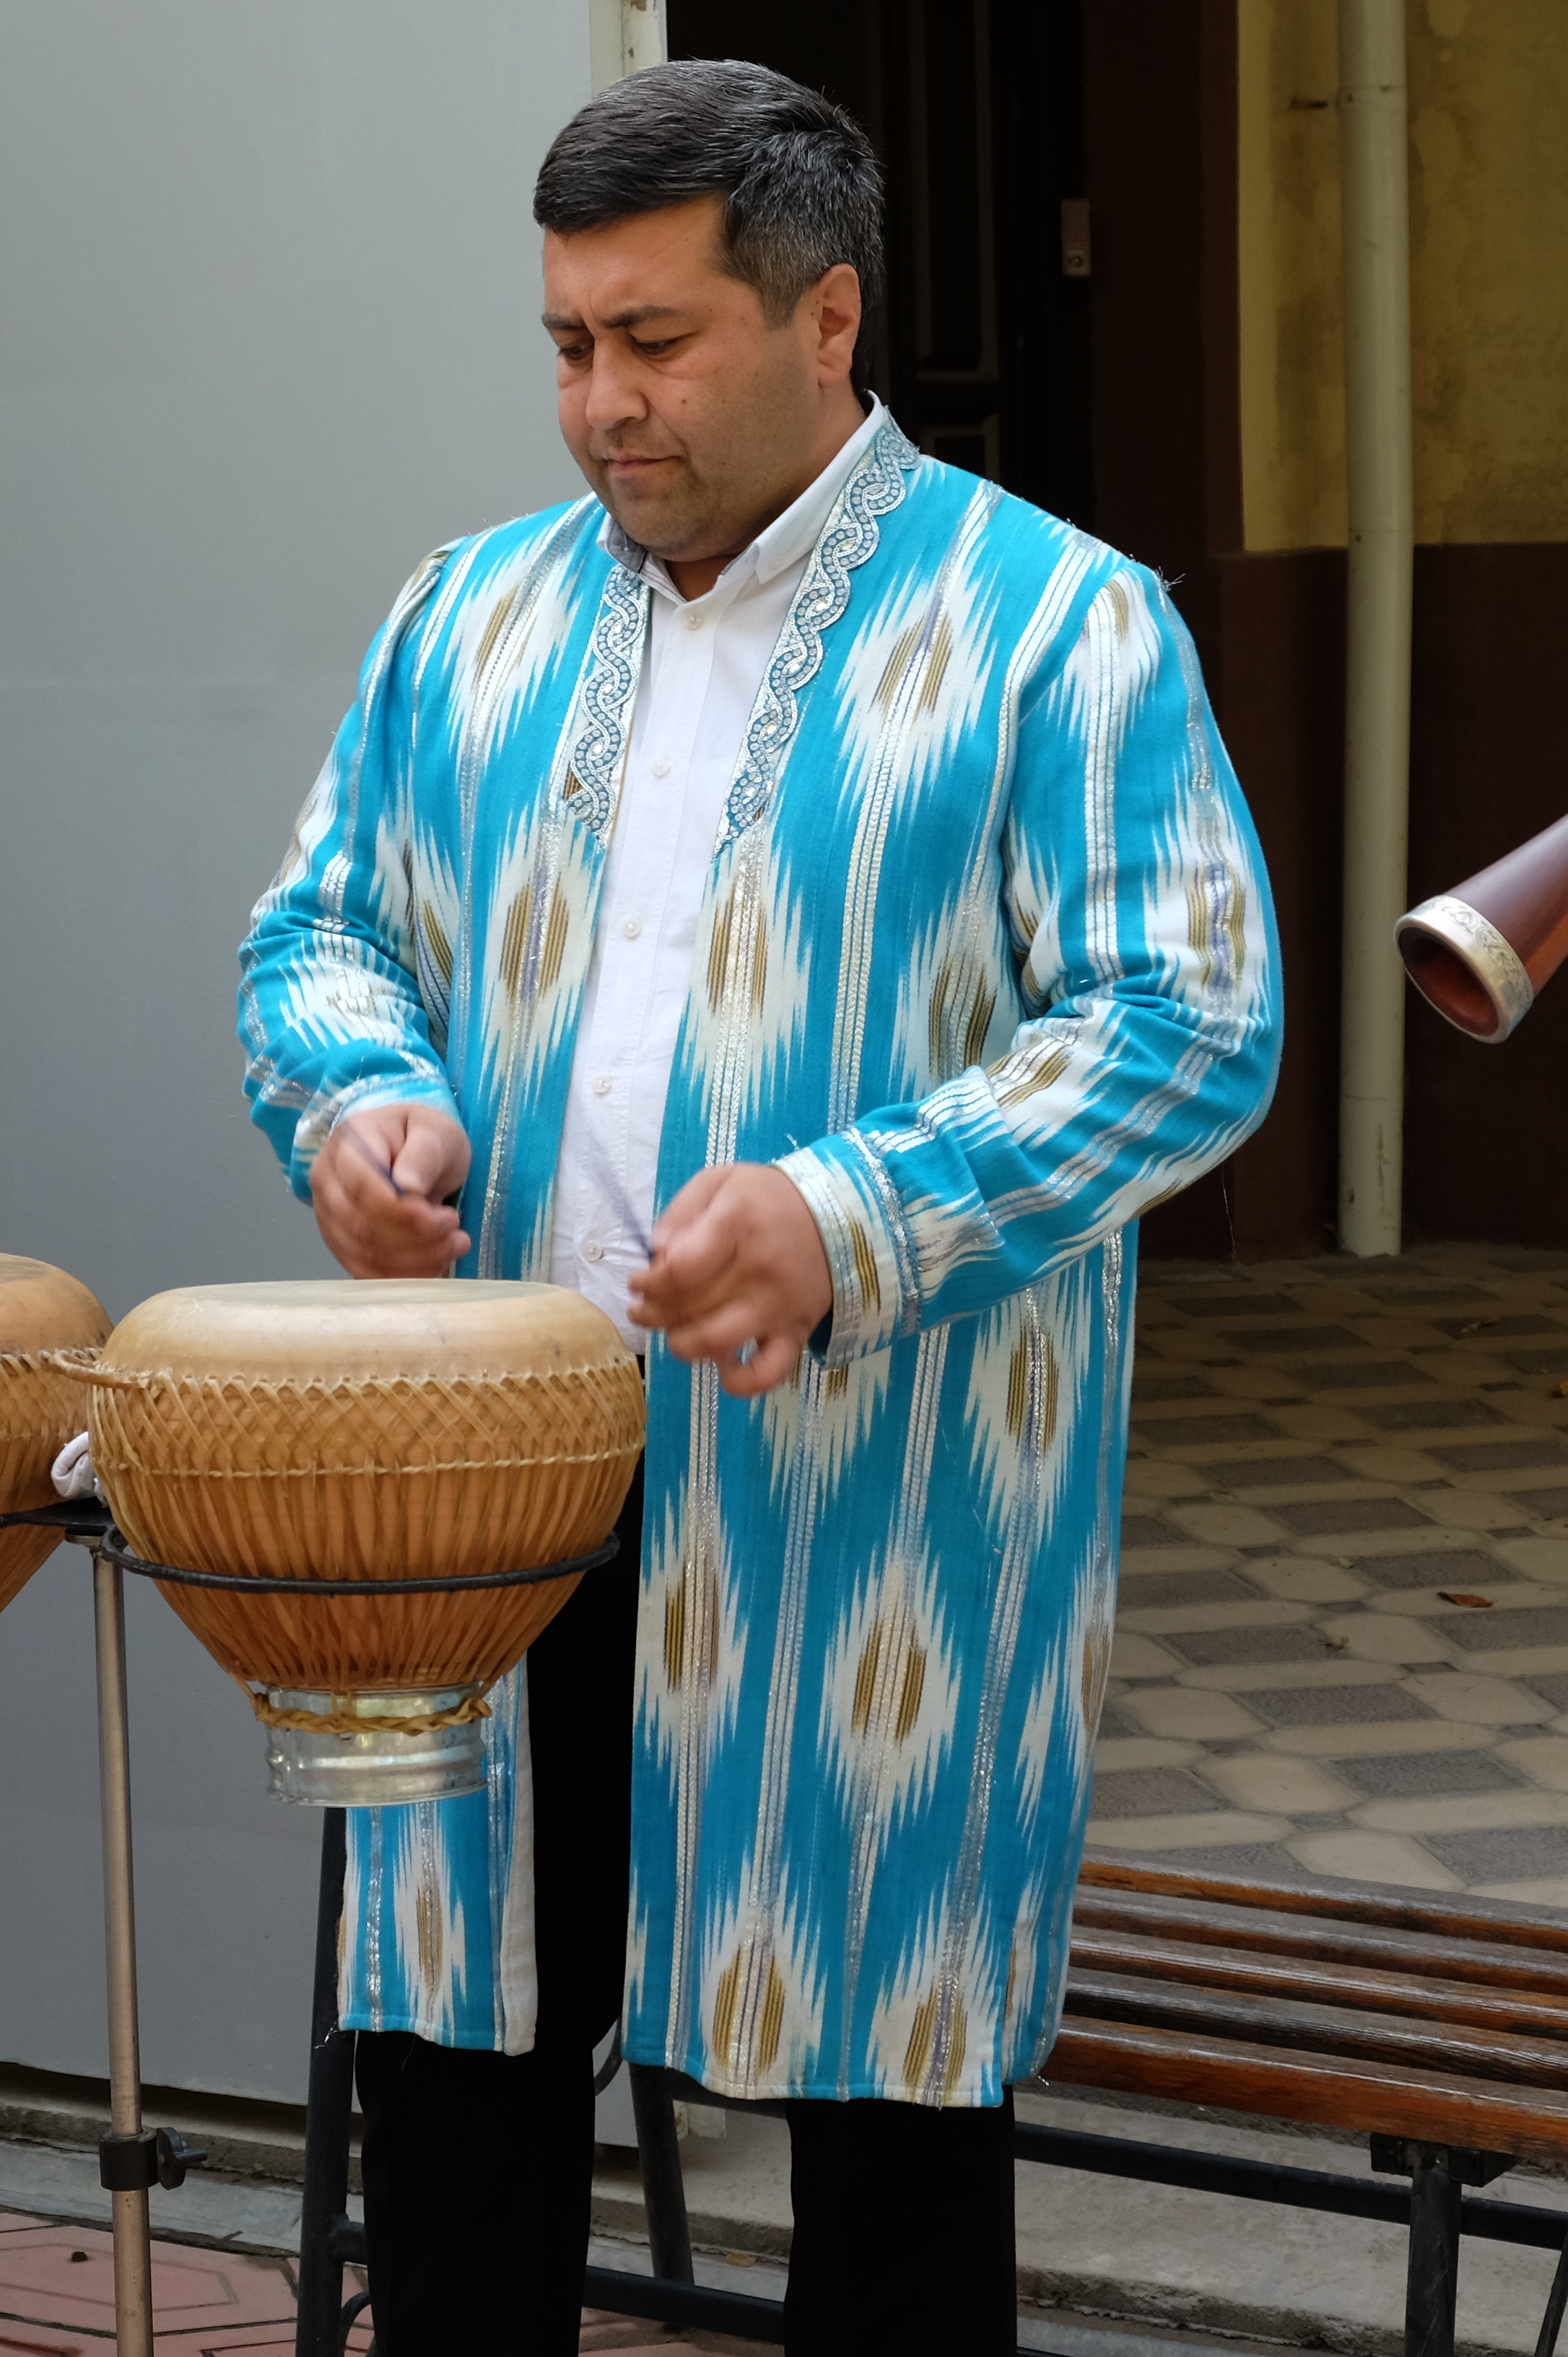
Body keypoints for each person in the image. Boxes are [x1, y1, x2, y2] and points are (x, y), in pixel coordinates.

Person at [235, 58, 1279, 2356]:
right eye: (567, 346)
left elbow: (1189, 1018)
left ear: (831, 322)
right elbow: (317, 933)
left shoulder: (1056, 628)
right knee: (461, 2076)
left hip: (876, 1498)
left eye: (657, 342)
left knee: (888, 2131)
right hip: (493, 1480)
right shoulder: (468, 616)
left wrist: (856, 1212)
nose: (603, 403)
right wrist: (361, 1102)